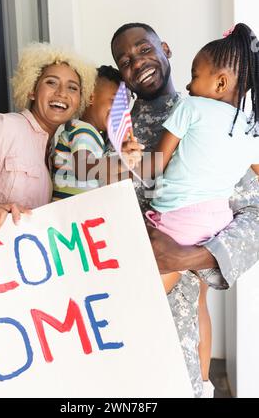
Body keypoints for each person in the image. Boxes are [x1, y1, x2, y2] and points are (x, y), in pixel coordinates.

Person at [111, 22, 259, 397]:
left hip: (183, 334)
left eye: (144, 50)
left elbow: (254, 214)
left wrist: (190, 255)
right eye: (125, 60)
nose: (137, 62)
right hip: (125, 319)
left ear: (165, 49)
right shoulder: (115, 131)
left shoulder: (212, 119)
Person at [0, 43, 96, 229]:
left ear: (80, 99)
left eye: (72, 88)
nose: (62, 93)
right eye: (51, 82)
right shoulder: (4, 127)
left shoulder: (57, 152)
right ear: (32, 90)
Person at [52, 64, 141, 199]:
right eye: (116, 102)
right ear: (90, 97)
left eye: (125, 106)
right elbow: (83, 168)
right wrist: (120, 163)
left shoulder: (92, 135)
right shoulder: (83, 130)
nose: (121, 112)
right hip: (72, 213)